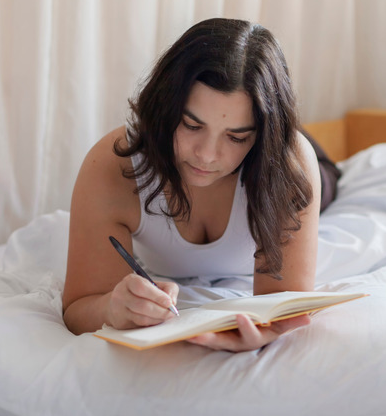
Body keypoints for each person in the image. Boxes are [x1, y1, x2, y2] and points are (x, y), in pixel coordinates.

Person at [62, 18, 340, 352]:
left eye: (236, 136)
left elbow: (279, 305)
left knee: (323, 176)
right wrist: (111, 308)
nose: (207, 156)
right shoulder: (113, 166)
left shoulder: (289, 161)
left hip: (281, 165)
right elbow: (78, 307)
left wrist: (264, 332)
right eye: (192, 125)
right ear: (164, 109)